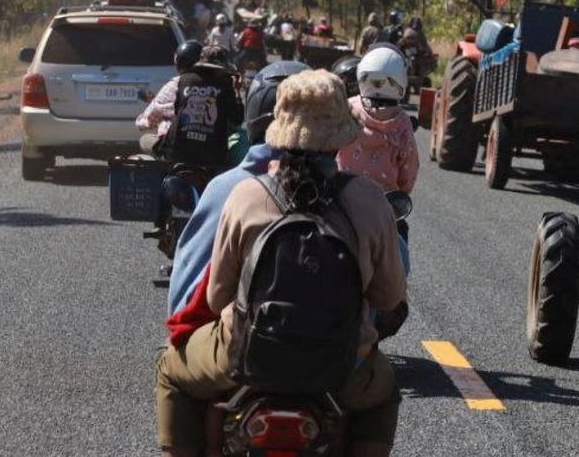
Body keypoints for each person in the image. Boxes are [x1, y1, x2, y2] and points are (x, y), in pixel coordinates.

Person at [156, 70, 406, 457]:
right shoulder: (370, 200)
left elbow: (219, 294)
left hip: (244, 359)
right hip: (340, 366)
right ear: (341, 132)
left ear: (280, 127)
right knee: (384, 394)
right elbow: (389, 296)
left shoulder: (244, 196)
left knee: (172, 373)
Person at [167, 60, 310, 314]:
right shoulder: (356, 193)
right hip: (336, 348)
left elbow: (190, 298)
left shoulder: (227, 188)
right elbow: (390, 299)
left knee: (173, 353)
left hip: (246, 340)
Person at [337, 46, 419, 195]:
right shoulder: (402, 123)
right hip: (382, 201)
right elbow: (409, 170)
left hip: (342, 194)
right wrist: (402, 193)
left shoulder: (347, 108)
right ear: (401, 80)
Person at [168, 45, 243, 171]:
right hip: (211, 156)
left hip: (179, 151)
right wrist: (237, 92)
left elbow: (176, 110)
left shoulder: (185, 79)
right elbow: (237, 119)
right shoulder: (224, 83)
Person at [137, 41, 204, 156]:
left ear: (178, 62)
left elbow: (150, 118)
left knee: (145, 140)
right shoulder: (217, 85)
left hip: (176, 147)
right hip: (208, 148)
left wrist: (141, 121)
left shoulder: (174, 84)